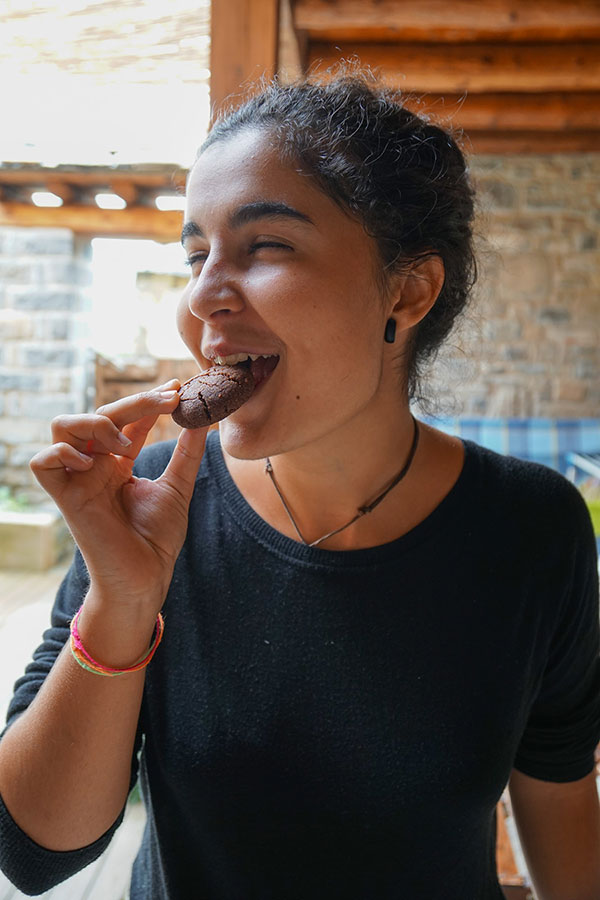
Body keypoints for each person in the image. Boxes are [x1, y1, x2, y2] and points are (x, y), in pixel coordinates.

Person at [1, 71, 599, 900]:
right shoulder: (148, 504)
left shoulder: (532, 527)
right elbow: (34, 856)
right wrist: (124, 598)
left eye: (266, 246)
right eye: (195, 254)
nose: (203, 297)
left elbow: (561, 801)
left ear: (408, 290)